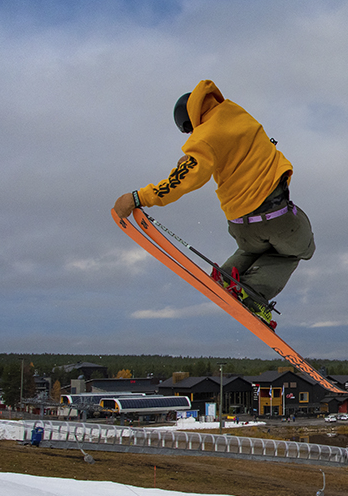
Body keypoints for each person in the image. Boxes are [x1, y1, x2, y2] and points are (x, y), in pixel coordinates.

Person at [114, 80, 315, 327]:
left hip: (240, 226)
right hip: (275, 215)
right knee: (301, 248)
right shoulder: (233, 111)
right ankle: (252, 296)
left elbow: (194, 167)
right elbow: (229, 145)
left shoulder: (204, 138)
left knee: (256, 248)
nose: (191, 135)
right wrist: (139, 197)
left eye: (188, 131)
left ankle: (228, 276)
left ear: (190, 122)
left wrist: (143, 194)